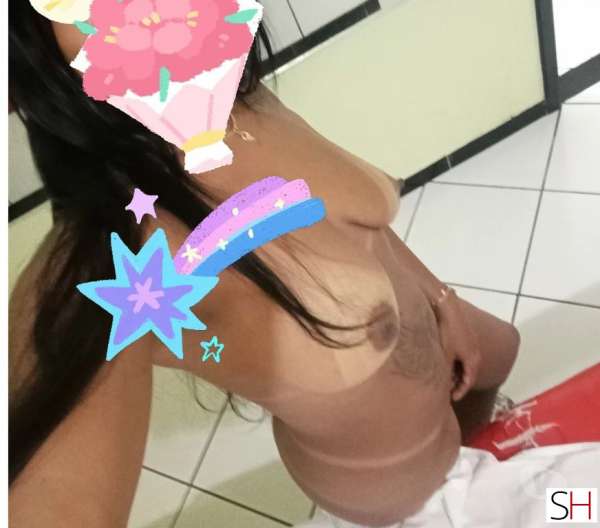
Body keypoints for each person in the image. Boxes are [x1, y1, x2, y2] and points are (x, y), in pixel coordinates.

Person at [8, 3, 520, 526]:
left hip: (438, 342)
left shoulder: (239, 100)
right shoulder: (110, 251)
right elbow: (57, 498)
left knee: (506, 347)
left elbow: (358, 226)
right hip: (391, 477)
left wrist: (441, 298)